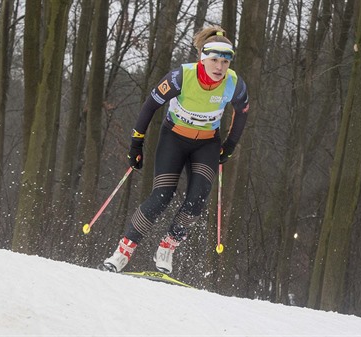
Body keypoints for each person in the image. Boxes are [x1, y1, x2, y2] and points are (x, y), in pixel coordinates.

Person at [101, 25, 250, 274]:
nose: (219, 67)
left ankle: (167, 247)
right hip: (174, 139)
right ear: (203, 58)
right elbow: (150, 106)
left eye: (225, 62)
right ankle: (122, 252)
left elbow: (242, 113)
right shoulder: (181, 77)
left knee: (197, 199)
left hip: (207, 144)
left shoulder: (234, 83)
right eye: (214, 60)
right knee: (162, 196)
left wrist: (230, 146)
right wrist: (136, 143)